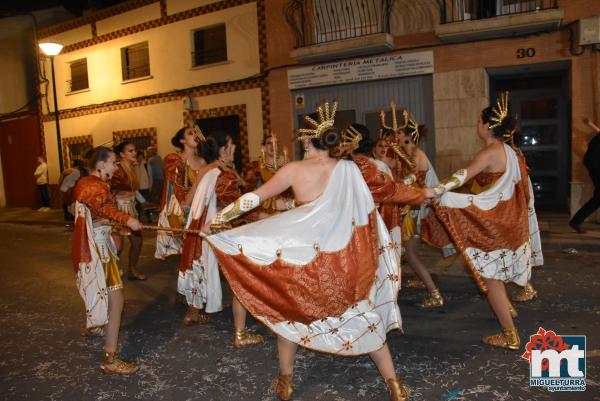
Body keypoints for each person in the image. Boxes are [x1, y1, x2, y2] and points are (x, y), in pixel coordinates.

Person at [202, 101, 424, 401]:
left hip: (304, 263)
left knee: (288, 317)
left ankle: (286, 382)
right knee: (363, 317)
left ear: (306, 140)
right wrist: (426, 193)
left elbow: (253, 198)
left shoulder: (294, 170)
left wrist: (217, 219)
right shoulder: (350, 168)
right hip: (344, 262)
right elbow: (391, 190)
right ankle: (395, 386)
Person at [422, 92, 543, 350]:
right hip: (510, 222)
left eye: (479, 121)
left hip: (496, 225)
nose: (477, 125)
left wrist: (436, 191)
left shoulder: (490, 152)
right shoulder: (510, 151)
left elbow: (463, 175)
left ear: (488, 127)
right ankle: (507, 310)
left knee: (491, 280)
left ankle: (510, 335)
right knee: (494, 276)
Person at [178, 134, 263, 347]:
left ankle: (194, 312)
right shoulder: (223, 175)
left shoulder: (211, 170)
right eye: (231, 144)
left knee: (206, 268)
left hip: (203, 228)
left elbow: (190, 201)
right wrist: (268, 215)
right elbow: (239, 207)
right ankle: (240, 334)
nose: (235, 146)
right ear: (223, 150)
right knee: (238, 278)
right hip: (222, 231)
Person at [72, 146, 142, 374]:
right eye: (112, 162)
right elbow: (104, 207)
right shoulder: (94, 184)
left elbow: (96, 210)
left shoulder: (88, 183)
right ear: (101, 165)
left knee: (109, 295)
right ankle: (110, 359)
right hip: (100, 249)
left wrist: (114, 224)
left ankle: (96, 327)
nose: (115, 167)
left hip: (101, 246)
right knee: (117, 300)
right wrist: (127, 219)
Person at [395, 113, 445, 308]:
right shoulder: (409, 155)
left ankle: (434, 293)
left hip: (414, 212)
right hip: (412, 209)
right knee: (407, 254)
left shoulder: (416, 156)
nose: (396, 137)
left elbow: (409, 184)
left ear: (408, 136)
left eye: (399, 133)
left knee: (411, 255)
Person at [155, 126, 206, 260]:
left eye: (196, 133)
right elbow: (175, 185)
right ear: (182, 141)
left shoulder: (203, 161)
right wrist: (185, 205)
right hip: (182, 205)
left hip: (200, 205)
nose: (195, 135)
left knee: (200, 245)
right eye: (190, 133)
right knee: (188, 247)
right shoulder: (174, 159)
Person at [111, 141, 146, 280]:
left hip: (131, 209)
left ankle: (132, 269)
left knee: (137, 242)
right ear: (121, 154)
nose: (134, 153)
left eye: (134, 150)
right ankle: (111, 273)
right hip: (118, 210)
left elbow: (133, 190)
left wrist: (143, 202)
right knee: (118, 247)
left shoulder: (131, 167)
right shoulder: (116, 169)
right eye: (130, 151)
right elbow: (108, 190)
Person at [569, 118, 600, 234]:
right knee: (598, 199)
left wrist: (590, 123)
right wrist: (590, 124)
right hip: (595, 165)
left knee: (597, 199)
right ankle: (576, 221)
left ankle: (576, 221)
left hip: (593, 164)